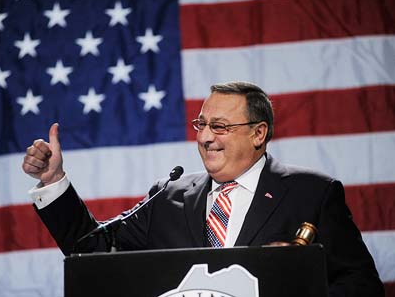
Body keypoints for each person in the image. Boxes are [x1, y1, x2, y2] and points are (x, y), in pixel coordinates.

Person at [22, 81, 384, 296]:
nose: (206, 137)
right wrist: (54, 183)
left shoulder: (312, 193)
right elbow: (93, 253)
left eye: (221, 126)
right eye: (202, 124)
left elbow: (362, 286)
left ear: (259, 133)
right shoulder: (169, 196)